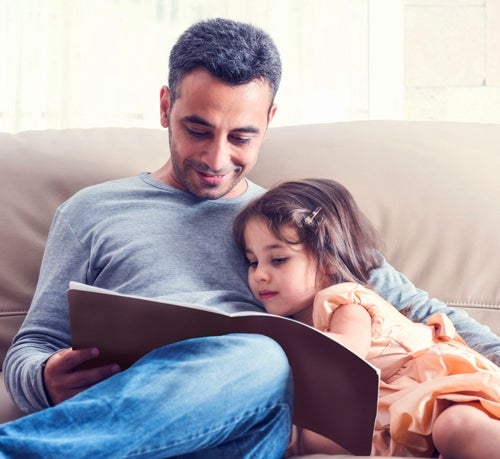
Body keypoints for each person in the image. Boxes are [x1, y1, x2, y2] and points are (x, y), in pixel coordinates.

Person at [0, 16, 498, 458]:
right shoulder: (91, 212)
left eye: (241, 137)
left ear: (269, 122)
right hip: (132, 426)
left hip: (251, 430)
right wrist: (46, 379)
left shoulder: (293, 223)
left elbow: (420, 310)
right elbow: (31, 348)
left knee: (261, 353)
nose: (217, 159)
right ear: (164, 106)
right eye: (197, 129)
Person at [232, 177, 500, 458]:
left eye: (278, 260)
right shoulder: (299, 321)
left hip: (436, 392)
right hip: (391, 419)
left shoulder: (344, 300)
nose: (260, 274)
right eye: (253, 262)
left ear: (327, 262)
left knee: (456, 427)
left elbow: (347, 350)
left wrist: (274, 344)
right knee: (310, 442)